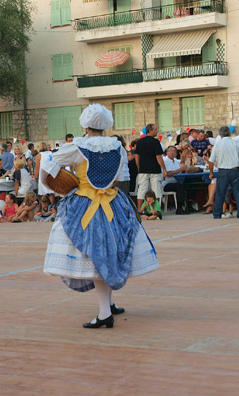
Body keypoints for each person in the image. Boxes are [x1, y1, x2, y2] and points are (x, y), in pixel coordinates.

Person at [42, 104, 158, 329]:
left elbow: (48, 165)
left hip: (84, 204)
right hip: (113, 202)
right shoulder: (117, 147)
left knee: (96, 256)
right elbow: (121, 179)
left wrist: (56, 185)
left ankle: (105, 313)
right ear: (106, 124)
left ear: (85, 124)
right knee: (112, 250)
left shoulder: (76, 146)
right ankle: (109, 303)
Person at [208, 126, 239, 219]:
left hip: (223, 171)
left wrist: (211, 173)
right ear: (230, 133)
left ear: (220, 134)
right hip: (235, 170)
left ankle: (217, 214)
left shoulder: (217, 145)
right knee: (238, 192)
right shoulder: (236, 143)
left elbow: (211, 160)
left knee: (220, 193)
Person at [134, 124, 167, 210]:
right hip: (155, 169)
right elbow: (158, 157)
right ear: (150, 131)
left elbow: (137, 156)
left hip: (143, 169)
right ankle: (157, 209)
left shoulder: (140, 142)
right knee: (156, 190)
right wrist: (164, 168)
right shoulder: (156, 142)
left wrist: (138, 167)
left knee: (141, 190)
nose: (157, 131)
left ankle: (139, 209)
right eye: (155, 129)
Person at [162, 145, 188, 214]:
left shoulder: (177, 161)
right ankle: (179, 208)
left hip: (177, 181)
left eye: (174, 151)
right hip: (166, 183)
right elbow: (169, 173)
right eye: (170, 151)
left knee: (187, 184)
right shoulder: (164, 161)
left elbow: (184, 167)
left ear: (176, 153)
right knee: (179, 186)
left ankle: (189, 206)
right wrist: (180, 169)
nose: (172, 152)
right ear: (166, 152)